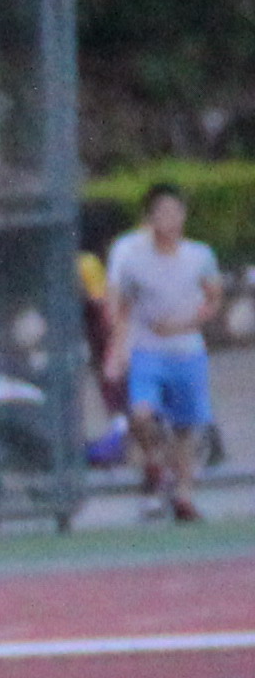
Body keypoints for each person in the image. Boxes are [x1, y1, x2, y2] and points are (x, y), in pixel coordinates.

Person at [108, 182, 226, 523]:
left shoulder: (199, 256)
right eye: (161, 213)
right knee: (142, 414)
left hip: (187, 352)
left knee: (187, 427)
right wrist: (119, 349)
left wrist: (187, 323)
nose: (169, 220)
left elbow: (214, 298)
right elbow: (124, 307)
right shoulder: (134, 259)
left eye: (175, 212)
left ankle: (184, 496)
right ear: (149, 218)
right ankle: (154, 462)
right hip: (148, 351)